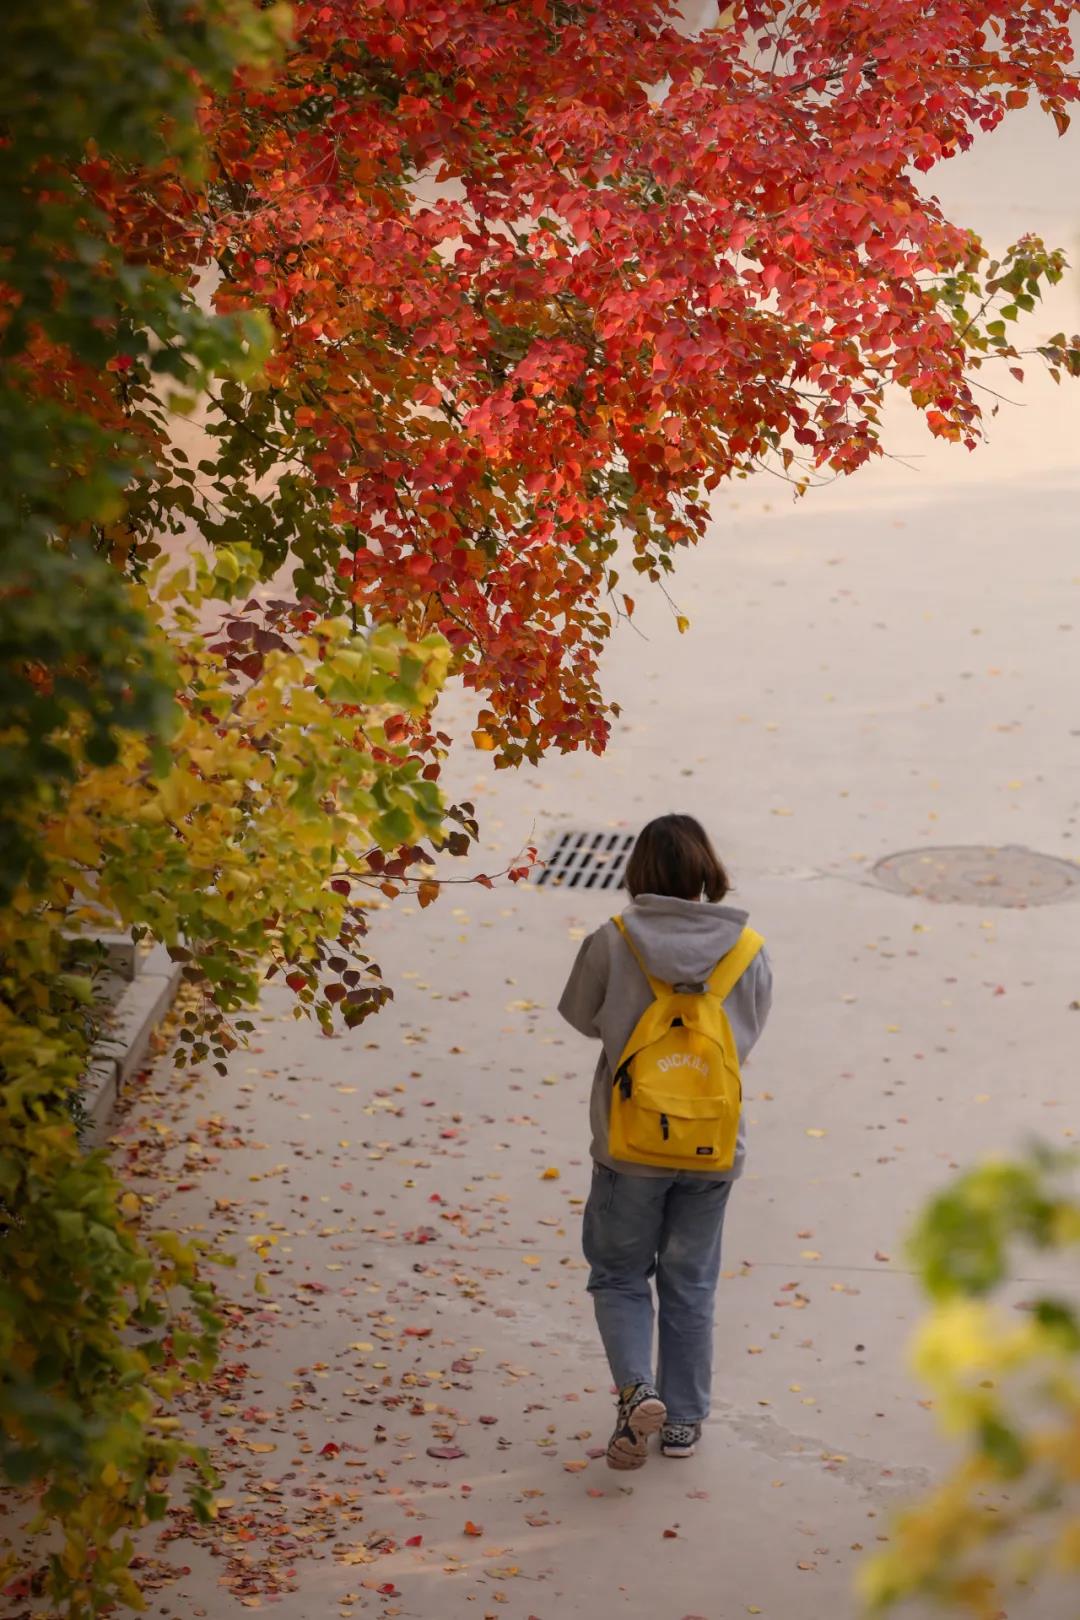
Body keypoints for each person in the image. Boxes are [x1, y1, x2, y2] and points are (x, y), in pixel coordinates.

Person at [558, 814, 773, 1469]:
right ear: (707, 867)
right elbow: (748, 1035)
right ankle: (681, 1422)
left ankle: (637, 1391)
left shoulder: (613, 940)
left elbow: (578, 1015)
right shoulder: (747, 949)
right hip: (710, 1145)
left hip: (630, 1145)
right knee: (691, 1281)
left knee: (620, 1274)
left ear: (639, 872)